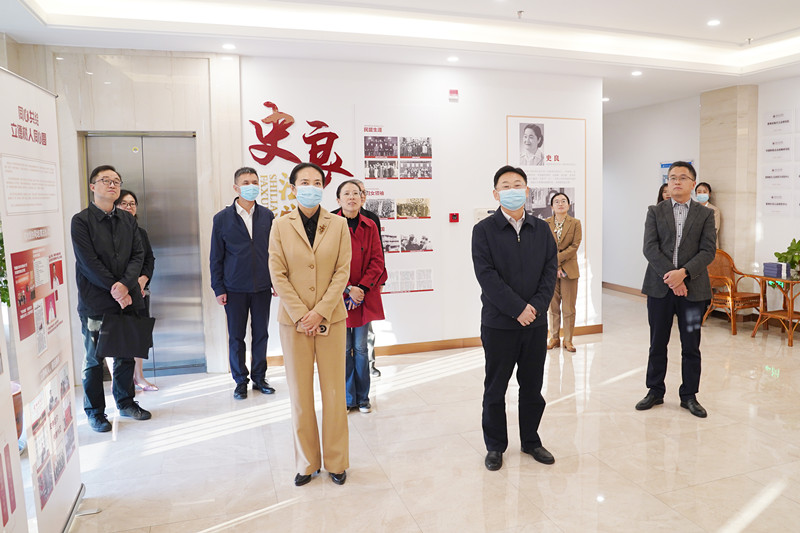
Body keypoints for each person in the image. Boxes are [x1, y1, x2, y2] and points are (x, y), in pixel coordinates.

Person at [268, 162, 351, 487]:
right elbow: (277, 273)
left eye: (317, 182)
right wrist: (303, 313)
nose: (311, 187)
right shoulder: (280, 225)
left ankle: (336, 461)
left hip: (331, 319)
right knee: (300, 396)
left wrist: (321, 311)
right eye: (304, 182)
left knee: (334, 393)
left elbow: (342, 272)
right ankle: (307, 463)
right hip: (294, 322)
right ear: (293, 188)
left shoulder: (338, 224)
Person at [472, 165, 558, 472]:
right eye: (505, 186)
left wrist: (535, 307)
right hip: (499, 323)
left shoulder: (541, 229)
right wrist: (517, 309)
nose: (512, 190)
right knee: (496, 388)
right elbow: (486, 276)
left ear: (527, 191)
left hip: (535, 323)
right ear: (496, 194)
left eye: (517, 184)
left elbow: (550, 272)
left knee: (532, 386)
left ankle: (531, 440)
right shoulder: (484, 230)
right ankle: (495, 446)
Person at [71, 165, 151, 432]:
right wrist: (115, 288)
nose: (112, 184)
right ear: (92, 186)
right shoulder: (81, 221)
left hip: (127, 298)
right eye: (106, 180)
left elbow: (138, 256)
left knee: (126, 354)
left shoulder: (128, 220)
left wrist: (125, 286)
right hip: (96, 300)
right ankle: (95, 412)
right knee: (94, 359)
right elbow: (88, 262)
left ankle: (126, 402)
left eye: (116, 181)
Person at [636, 161, 716, 419]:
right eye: (672, 178)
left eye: (682, 177)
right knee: (657, 342)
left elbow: (708, 251)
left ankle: (689, 395)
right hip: (659, 289)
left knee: (691, 345)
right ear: (667, 183)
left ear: (693, 183)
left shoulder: (705, 214)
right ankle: (655, 390)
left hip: (694, 292)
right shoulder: (654, 211)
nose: (677, 182)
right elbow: (650, 248)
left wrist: (684, 274)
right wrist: (673, 278)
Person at [210, 167, 276, 400]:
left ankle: (259, 377)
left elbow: (274, 253)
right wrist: (218, 287)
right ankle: (240, 381)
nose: (251, 186)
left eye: (255, 182)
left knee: (261, 334)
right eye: (246, 182)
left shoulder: (267, 216)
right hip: (234, 288)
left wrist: (276, 281)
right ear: (236, 187)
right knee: (236, 337)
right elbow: (216, 257)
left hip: (262, 287)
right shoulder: (222, 219)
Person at [334, 180, 385, 413]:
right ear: (338, 199)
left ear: (362, 197)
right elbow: (326, 262)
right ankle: (347, 398)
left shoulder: (370, 224)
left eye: (356, 193)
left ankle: (363, 398)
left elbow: (377, 260)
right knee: (344, 349)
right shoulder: (330, 224)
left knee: (361, 348)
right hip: (338, 295)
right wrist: (348, 289)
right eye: (346, 193)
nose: (352, 197)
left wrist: (361, 289)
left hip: (363, 296)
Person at [115, 190, 158, 391]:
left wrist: (142, 280)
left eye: (132, 203)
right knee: (116, 338)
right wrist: (126, 285)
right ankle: (120, 383)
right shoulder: (109, 232)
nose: (128, 207)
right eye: (124, 203)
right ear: (115, 206)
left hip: (139, 293)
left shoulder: (141, 233)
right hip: (117, 293)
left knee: (139, 336)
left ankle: (139, 377)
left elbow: (149, 259)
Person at [545, 193, 582, 353]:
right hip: (550, 271)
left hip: (569, 270)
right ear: (552, 206)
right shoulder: (545, 224)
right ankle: (554, 338)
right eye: (556, 202)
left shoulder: (575, 223)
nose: (560, 204)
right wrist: (555, 266)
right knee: (553, 308)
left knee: (569, 308)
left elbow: (574, 246)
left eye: (563, 201)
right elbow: (544, 247)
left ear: (568, 205)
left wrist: (557, 261)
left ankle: (568, 340)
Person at [695, 182, 720, 247]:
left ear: (709, 194)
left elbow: (714, 229)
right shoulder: (692, 208)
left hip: (709, 244)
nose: (702, 194)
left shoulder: (714, 210)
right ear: (696, 194)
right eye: (699, 192)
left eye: (704, 192)